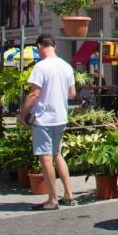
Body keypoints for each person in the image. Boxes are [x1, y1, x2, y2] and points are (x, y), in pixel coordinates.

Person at [19, 33, 77, 211]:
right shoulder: (66, 67)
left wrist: (22, 115)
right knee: (57, 154)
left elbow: (34, 94)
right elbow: (72, 94)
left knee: (45, 159)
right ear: (54, 46)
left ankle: (52, 199)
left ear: (39, 47)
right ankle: (68, 194)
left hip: (44, 118)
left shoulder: (41, 67)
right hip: (60, 116)